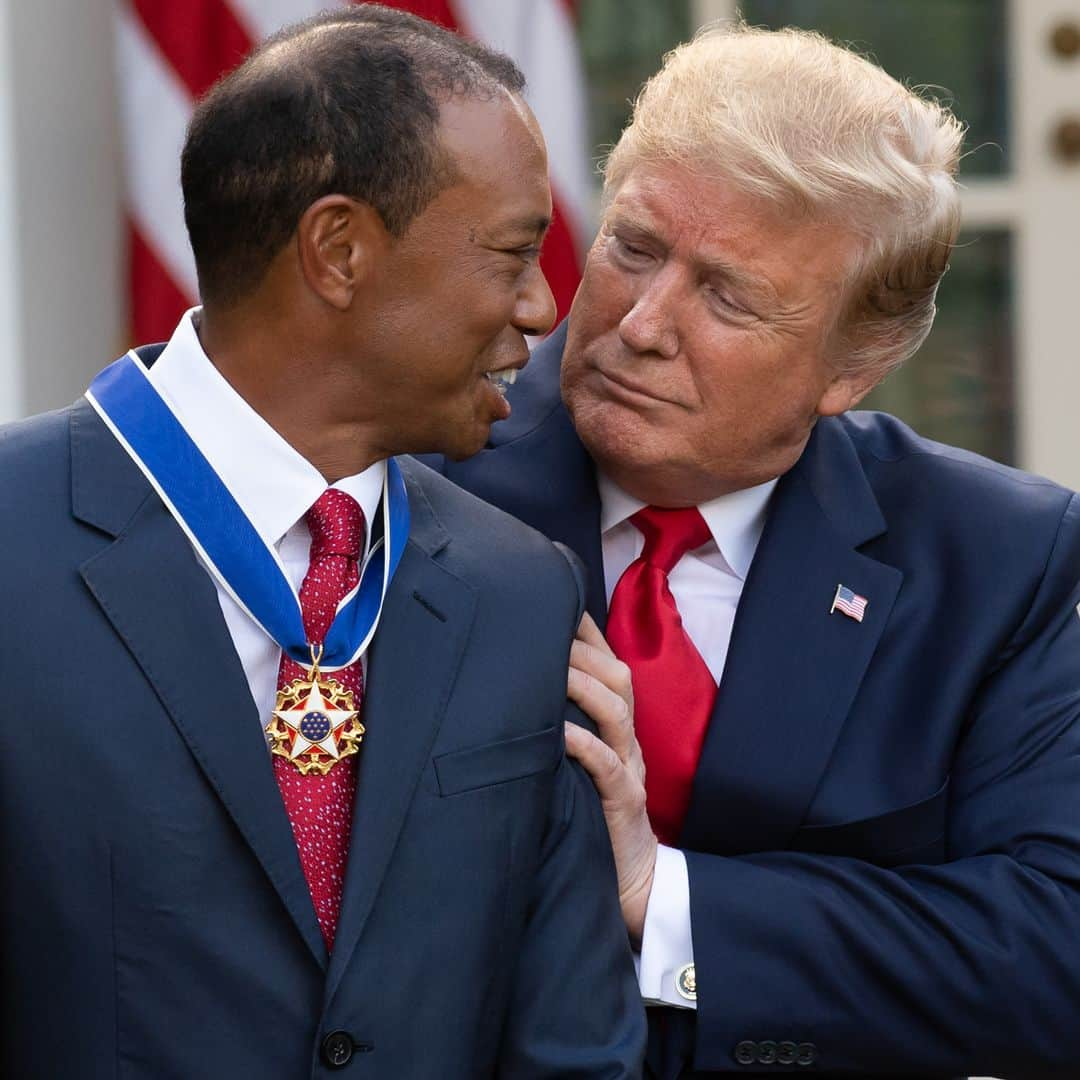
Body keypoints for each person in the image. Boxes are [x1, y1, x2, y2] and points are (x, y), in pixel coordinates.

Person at [425, 23, 1080, 1080]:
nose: (641, 323)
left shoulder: (993, 560)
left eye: (726, 296)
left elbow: (1054, 958)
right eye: (633, 247)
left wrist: (661, 897)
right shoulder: (414, 487)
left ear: (853, 368)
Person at [0, 8, 645, 1078]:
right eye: (513, 253)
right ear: (338, 250)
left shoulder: (521, 592)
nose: (545, 307)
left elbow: (572, 1046)